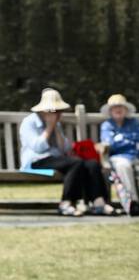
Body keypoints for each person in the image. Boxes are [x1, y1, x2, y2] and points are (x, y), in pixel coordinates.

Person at [19, 87, 115, 216]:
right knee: (76, 163)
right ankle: (66, 203)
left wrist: (56, 128)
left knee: (92, 163)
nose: (58, 114)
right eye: (55, 110)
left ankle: (99, 202)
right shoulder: (29, 122)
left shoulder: (57, 123)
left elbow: (64, 149)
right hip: (36, 161)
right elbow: (38, 147)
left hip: (56, 159)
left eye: (60, 111)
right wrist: (49, 127)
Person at [98, 93, 139, 213]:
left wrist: (120, 139)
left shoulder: (134, 123)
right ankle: (133, 201)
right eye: (114, 107)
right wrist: (130, 140)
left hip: (138, 157)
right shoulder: (107, 125)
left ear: (126, 110)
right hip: (117, 158)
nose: (118, 109)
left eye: (121, 107)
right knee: (123, 165)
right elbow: (109, 144)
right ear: (110, 111)